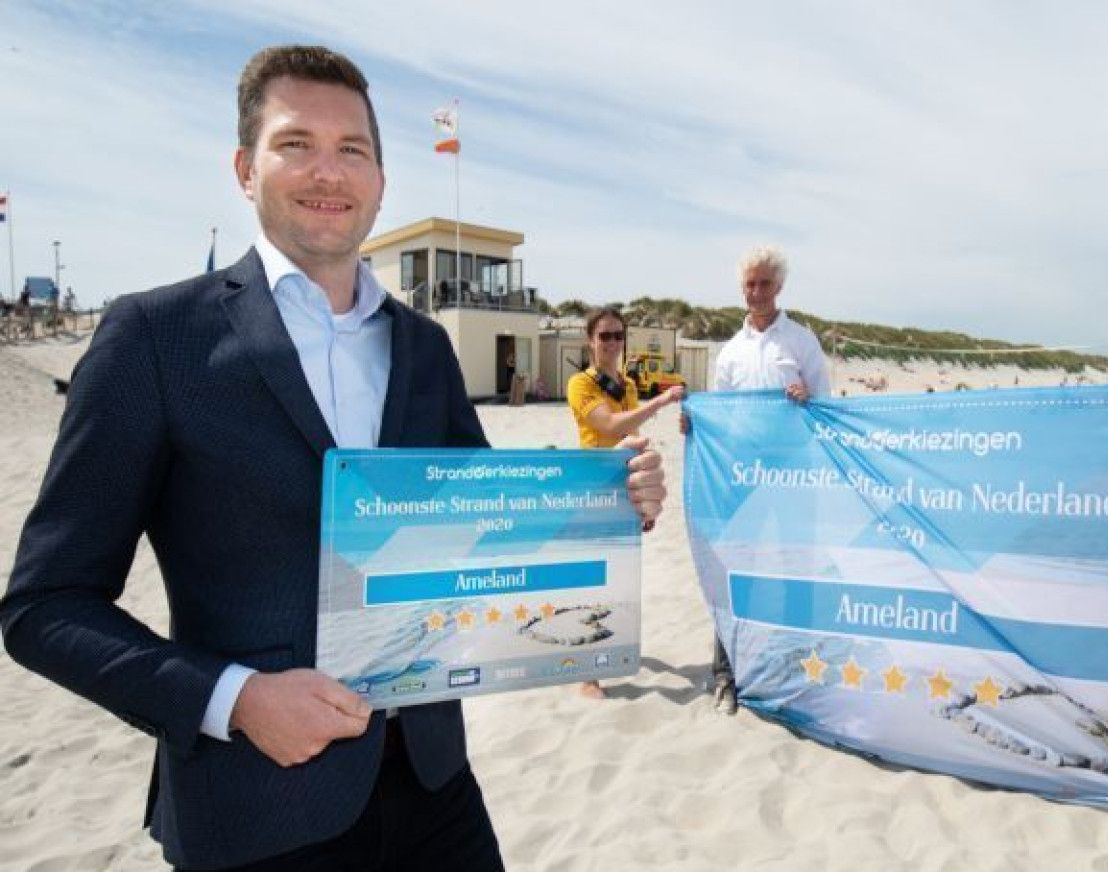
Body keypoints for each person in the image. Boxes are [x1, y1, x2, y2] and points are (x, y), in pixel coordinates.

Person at [0, 45, 666, 871]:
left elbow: (487, 524)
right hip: (255, 807)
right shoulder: (155, 339)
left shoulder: (422, 348)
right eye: (295, 144)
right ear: (245, 168)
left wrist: (609, 505)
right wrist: (234, 700)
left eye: (352, 149)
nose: (329, 172)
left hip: (433, 786)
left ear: (381, 180)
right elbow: (46, 608)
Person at [682, 244, 829, 715]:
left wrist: (808, 396)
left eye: (765, 283)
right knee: (730, 570)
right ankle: (725, 672)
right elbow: (720, 415)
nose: (756, 292)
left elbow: (827, 405)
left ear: (779, 287)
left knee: (796, 572)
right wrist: (696, 424)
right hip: (741, 482)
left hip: (793, 480)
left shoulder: (802, 341)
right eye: (749, 283)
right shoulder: (730, 351)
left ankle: (798, 665)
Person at [565, 306, 682, 699]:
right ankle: (587, 673)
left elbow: (632, 439)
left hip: (625, 488)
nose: (612, 343)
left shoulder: (628, 385)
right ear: (590, 341)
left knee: (619, 581)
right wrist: (662, 401)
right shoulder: (580, 384)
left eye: (618, 336)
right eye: (605, 336)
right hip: (593, 490)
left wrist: (643, 505)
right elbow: (613, 427)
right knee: (592, 582)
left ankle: (606, 652)